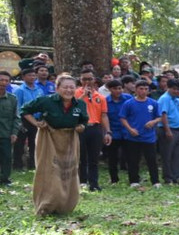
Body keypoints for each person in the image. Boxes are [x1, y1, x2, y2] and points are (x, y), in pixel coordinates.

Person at [21, 73, 87, 210]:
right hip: (49, 138)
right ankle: (47, 203)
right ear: (57, 88)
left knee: (68, 170)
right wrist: (36, 123)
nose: (69, 90)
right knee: (48, 169)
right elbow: (25, 110)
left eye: (72, 87)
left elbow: (84, 120)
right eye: (65, 87)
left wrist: (81, 127)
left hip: (69, 140)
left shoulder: (80, 104)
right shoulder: (46, 101)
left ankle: (65, 205)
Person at [118, 78, 163, 187]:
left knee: (152, 160)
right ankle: (134, 181)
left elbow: (159, 117)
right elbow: (122, 118)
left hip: (149, 137)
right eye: (141, 89)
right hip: (133, 137)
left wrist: (153, 122)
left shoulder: (153, 103)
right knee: (133, 160)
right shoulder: (129, 103)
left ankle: (155, 181)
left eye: (146, 89)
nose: (143, 91)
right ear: (136, 89)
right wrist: (130, 129)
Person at [75, 70, 110, 192]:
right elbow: (71, 107)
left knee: (94, 158)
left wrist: (108, 132)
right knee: (81, 157)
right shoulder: (75, 93)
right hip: (80, 127)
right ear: (80, 80)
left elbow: (104, 115)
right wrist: (83, 95)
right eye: (84, 79)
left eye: (90, 79)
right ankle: (82, 182)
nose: (87, 82)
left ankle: (94, 183)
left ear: (94, 80)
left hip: (95, 128)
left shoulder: (100, 97)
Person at [0, 70, 17, 186]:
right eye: (1, 80)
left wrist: (14, 133)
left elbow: (16, 117)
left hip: (5, 134)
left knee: (6, 158)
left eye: (6, 80)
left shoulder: (12, 99)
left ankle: (5, 179)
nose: (3, 83)